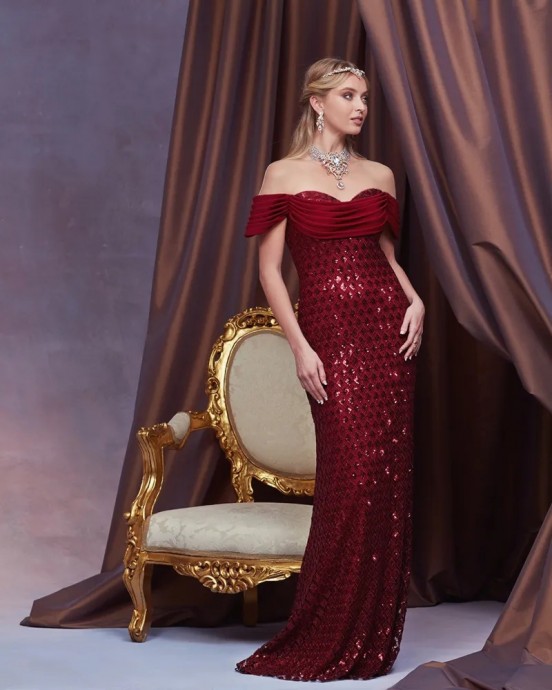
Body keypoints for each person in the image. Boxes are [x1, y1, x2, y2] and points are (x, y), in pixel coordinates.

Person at [235, 57, 425, 682]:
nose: (360, 106)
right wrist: (299, 347)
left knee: (384, 481)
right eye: (348, 95)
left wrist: (415, 299)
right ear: (317, 103)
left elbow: (385, 254)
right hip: (330, 338)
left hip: (388, 334)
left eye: (364, 96)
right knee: (350, 477)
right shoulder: (283, 173)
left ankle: (372, 631)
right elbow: (271, 272)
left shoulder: (381, 175)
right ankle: (327, 628)